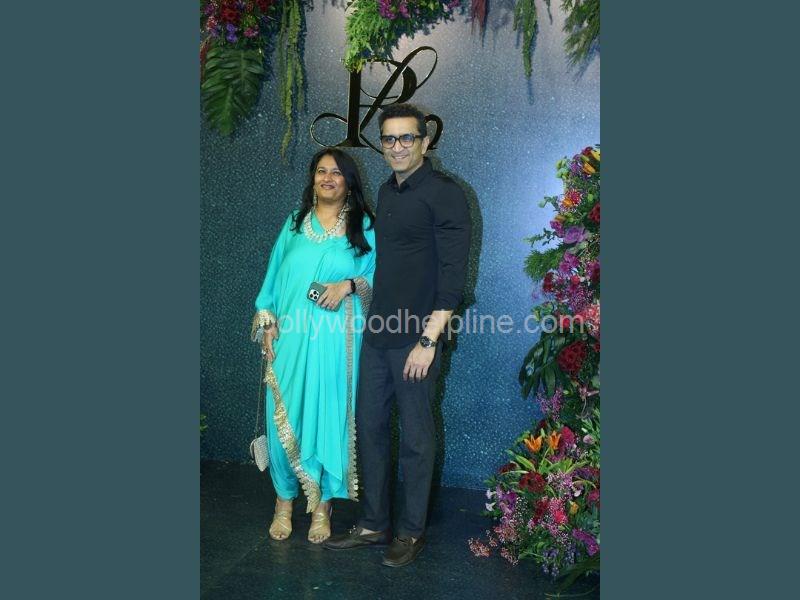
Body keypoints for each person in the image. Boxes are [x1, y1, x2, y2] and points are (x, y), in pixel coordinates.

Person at [324, 103, 471, 567]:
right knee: (369, 429)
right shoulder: (387, 191)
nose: (397, 147)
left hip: (416, 338)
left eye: (407, 138)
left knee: (416, 438)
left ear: (425, 142)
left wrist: (429, 340)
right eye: (389, 139)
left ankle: (410, 532)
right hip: (378, 332)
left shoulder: (446, 194)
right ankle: (373, 524)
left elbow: (453, 276)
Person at [251, 148, 376, 544]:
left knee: (326, 415)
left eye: (336, 173)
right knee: (283, 418)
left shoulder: (364, 226)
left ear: (349, 182)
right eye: (321, 171)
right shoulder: (293, 223)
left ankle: (322, 505)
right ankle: (284, 502)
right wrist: (267, 323)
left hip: (336, 343)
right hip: (290, 339)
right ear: (312, 178)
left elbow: (378, 278)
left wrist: (348, 286)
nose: (327, 178)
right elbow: (271, 281)